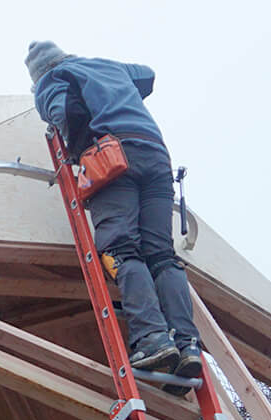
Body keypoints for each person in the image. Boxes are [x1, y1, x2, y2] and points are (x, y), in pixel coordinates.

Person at [27, 40, 201, 378]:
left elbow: (63, 112)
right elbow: (147, 75)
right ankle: (187, 342)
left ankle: (151, 338)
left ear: (38, 73)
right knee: (162, 255)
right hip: (155, 155)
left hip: (110, 157)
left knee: (119, 249)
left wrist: (74, 139)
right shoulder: (106, 66)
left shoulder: (52, 78)